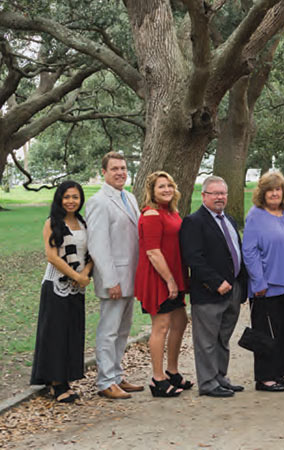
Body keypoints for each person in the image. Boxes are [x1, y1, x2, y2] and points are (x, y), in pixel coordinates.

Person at [179, 176, 248, 398]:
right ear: (204, 196)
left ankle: (220, 377)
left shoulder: (229, 219)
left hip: (233, 290)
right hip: (210, 292)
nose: (220, 197)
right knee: (207, 341)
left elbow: (235, 251)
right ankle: (208, 383)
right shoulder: (194, 222)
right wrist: (216, 282)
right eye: (214, 193)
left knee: (223, 338)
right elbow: (193, 258)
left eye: (223, 193)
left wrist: (241, 285)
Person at [87, 151, 144, 399]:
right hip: (114, 279)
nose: (120, 172)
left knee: (123, 330)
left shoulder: (129, 197)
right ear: (104, 172)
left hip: (131, 275)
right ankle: (105, 381)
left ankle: (117, 375)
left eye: (123, 168)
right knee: (108, 330)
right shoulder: (98, 202)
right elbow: (98, 245)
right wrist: (110, 280)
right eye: (114, 169)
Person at [30, 181, 92, 403]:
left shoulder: (83, 222)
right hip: (56, 286)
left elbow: (90, 253)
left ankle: (66, 377)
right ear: (59, 199)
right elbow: (52, 256)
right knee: (55, 335)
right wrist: (76, 277)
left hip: (78, 288)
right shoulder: (52, 222)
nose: (71, 201)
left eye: (75, 197)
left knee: (71, 333)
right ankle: (57, 384)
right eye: (66, 197)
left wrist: (85, 273)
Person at [243, 171, 284, 393]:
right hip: (265, 286)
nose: (275, 193)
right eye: (270, 189)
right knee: (265, 332)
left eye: (278, 189)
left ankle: (279, 372)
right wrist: (258, 282)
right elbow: (249, 251)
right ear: (262, 192)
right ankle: (264, 377)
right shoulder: (255, 216)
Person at [135, 171, 190, 397]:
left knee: (181, 321)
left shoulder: (170, 212)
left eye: (169, 185)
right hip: (158, 278)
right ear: (152, 191)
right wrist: (170, 281)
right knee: (161, 326)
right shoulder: (151, 215)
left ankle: (172, 371)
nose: (166, 190)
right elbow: (153, 253)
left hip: (174, 275)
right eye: (161, 187)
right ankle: (158, 379)